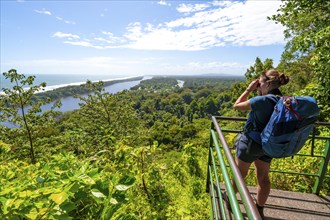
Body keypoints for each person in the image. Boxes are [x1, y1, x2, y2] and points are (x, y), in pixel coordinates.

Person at [232, 69, 289, 219]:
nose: (258, 86)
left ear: (268, 83)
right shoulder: (283, 100)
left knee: (239, 175)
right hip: (269, 145)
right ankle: (259, 209)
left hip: (250, 144)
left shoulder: (261, 101)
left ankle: (230, 200)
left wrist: (249, 89)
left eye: (260, 83)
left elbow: (236, 106)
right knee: (263, 178)